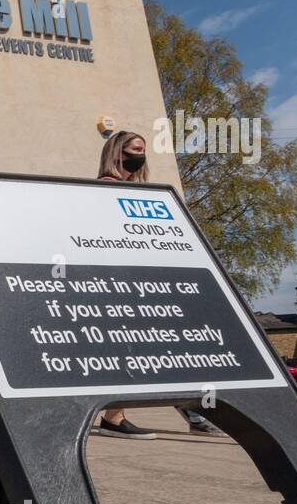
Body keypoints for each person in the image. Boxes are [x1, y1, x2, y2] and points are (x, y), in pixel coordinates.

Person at [94, 130, 228, 439]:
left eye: (143, 150)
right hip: (123, 284)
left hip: (147, 281)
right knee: (142, 347)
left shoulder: (141, 191)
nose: (141, 155)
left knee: (166, 344)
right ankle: (118, 417)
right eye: (134, 150)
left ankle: (193, 410)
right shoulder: (103, 188)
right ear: (117, 153)